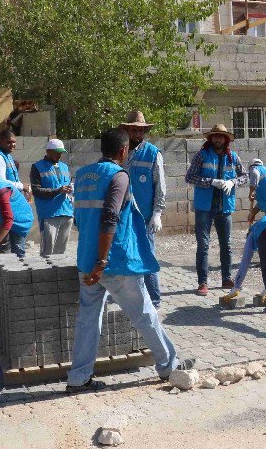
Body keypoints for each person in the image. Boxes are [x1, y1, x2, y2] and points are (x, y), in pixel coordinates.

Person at [66, 128, 189, 393]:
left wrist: (94, 262)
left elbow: (79, 219)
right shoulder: (119, 176)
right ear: (123, 151)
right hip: (115, 261)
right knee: (145, 314)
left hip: (86, 260)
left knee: (88, 319)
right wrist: (102, 262)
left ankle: (78, 377)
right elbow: (110, 217)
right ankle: (170, 366)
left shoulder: (84, 174)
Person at [185, 124, 247, 296]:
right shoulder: (202, 155)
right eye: (215, 136)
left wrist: (233, 182)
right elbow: (189, 176)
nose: (217, 139)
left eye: (221, 136)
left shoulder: (233, 157)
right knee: (203, 245)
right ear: (210, 139)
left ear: (226, 139)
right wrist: (210, 181)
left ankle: (226, 278)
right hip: (204, 207)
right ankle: (202, 282)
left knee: (226, 244)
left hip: (224, 207)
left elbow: (244, 176)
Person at [220, 158, 266, 306]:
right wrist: (253, 213)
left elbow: (255, 175)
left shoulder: (255, 169)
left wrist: (251, 191)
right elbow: (261, 203)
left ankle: (250, 287)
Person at [119, 111, 165, 308]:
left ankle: (154, 299)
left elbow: (160, 185)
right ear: (127, 130)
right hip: (123, 214)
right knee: (125, 254)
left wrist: (157, 213)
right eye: (134, 130)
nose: (138, 133)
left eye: (141, 130)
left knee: (147, 255)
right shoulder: (119, 151)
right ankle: (131, 296)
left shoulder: (153, 153)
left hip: (145, 216)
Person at [30, 138, 74, 257]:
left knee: (61, 251)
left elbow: (69, 184)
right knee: (47, 251)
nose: (60, 155)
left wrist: (71, 189)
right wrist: (57, 190)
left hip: (67, 212)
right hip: (49, 214)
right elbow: (36, 190)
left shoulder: (64, 167)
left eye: (61, 152)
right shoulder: (37, 167)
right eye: (57, 152)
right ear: (48, 151)